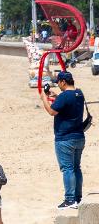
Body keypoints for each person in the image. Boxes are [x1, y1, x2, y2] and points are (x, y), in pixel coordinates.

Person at [42, 70, 87, 208]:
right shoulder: (79, 93)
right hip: (79, 136)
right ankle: (77, 198)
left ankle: (69, 200)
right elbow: (68, 104)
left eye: (59, 83)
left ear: (63, 82)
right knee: (76, 168)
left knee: (67, 169)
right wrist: (57, 97)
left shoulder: (64, 96)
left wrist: (43, 97)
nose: (58, 86)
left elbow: (52, 111)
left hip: (65, 139)